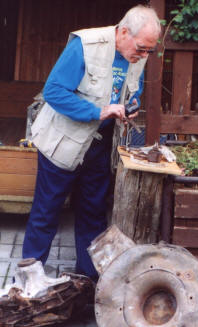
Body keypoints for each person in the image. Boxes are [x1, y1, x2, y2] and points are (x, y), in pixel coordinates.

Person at [22, 5, 161, 282]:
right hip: (63, 142)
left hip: (100, 145)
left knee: (93, 214)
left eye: (149, 51)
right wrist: (98, 112)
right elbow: (54, 92)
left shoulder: (138, 53)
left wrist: (130, 105)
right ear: (123, 32)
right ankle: (27, 283)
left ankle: (89, 283)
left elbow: (133, 89)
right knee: (46, 212)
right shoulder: (85, 45)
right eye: (142, 48)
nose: (144, 56)